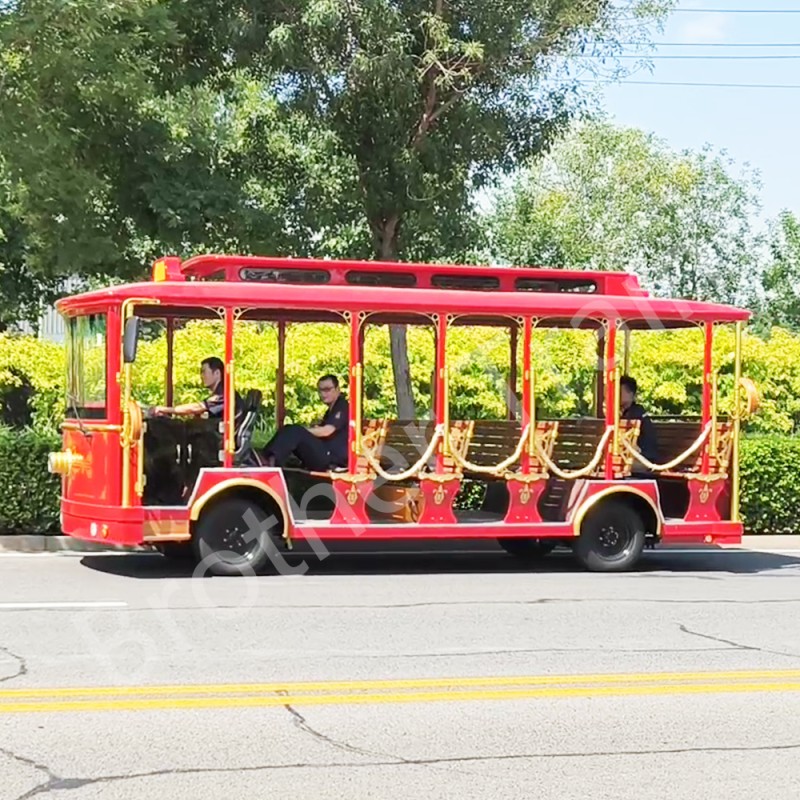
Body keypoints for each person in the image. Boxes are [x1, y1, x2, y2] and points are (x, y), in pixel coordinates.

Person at [262, 374, 349, 471]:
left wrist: (302, 431)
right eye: (320, 390)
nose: (323, 394)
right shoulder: (330, 410)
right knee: (289, 428)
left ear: (337, 389)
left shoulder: (342, 407)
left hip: (332, 459)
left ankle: (269, 460)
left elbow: (327, 431)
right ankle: (266, 457)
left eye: (327, 389)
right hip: (325, 453)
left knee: (295, 431)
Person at [152, 357, 244, 419]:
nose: (201, 376)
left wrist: (164, 409)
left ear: (217, 373)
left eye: (204, 372)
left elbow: (197, 407)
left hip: (217, 441)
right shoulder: (220, 393)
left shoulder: (223, 394)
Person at [620, 375, 658, 471]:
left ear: (631, 394)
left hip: (644, 459)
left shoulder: (636, 413)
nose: (616, 395)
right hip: (630, 458)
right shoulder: (624, 412)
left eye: (620, 392)